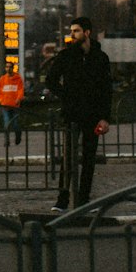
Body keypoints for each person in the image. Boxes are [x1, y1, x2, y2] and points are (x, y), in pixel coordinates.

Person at [45, 16, 113, 211]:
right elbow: (50, 80)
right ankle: (63, 199)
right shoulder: (66, 56)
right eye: (71, 31)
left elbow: (107, 90)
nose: (72, 35)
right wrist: (66, 95)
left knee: (89, 159)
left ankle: (83, 200)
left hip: (93, 115)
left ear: (87, 33)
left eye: (76, 31)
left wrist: (105, 118)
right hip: (72, 114)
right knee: (68, 158)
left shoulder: (101, 58)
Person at [0, 62, 25, 144]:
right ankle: (7, 140)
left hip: (15, 105)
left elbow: (20, 90)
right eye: (7, 67)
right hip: (5, 105)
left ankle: (18, 136)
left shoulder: (18, 79)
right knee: (6, 123)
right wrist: (1, 101)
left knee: (15, 124)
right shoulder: (2, 79)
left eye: (9, 67)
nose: (8, 69)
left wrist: (18, 99)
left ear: (12, 68)